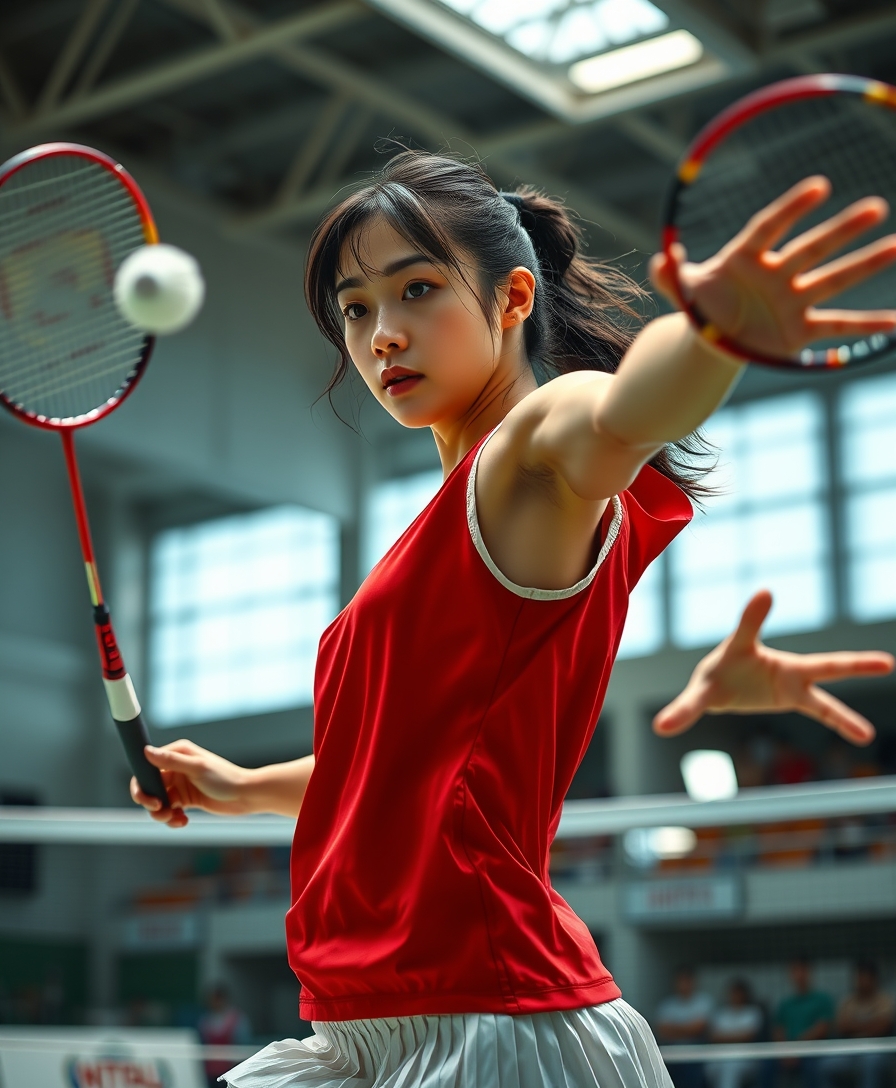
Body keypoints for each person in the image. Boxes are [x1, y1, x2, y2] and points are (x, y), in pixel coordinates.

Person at [131, 150, 896, 1088]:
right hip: (368, 1025)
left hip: (493, 1021)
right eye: (357, 307)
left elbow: (619, 417)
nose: (382, 335)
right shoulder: (446, 514)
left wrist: (714, 337)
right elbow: (402, 764)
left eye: (416, 289)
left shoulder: (529, 451)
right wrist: (238, 785)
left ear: (513, 299)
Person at [818, 960, 895, 1088]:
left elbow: (882, 1026)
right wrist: (869, 1024)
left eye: (864, 977)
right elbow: (841, 1026)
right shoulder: (848, 1001)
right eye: (858, 977)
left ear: (873, 979)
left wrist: (854, 1025)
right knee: (827, 1064)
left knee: (871, 1062)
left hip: (877, 1051)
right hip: (851, 1051)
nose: (860, 981)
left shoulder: (884, 1000)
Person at [774, 958, 835, 1088]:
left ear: (809, 972)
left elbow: (822, 1028)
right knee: (767, 1064)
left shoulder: (822, 999)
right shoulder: (785, 1003)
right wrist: (785, 1050)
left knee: (812, 1067)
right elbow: (778, 1029)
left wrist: (798, 1048)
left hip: (814, 1051)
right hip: (787, 1052)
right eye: (795, 971)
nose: (799, 975)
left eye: (802, 970)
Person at [656, 967, 714, 1088]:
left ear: (692, 982)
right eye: (680, 981)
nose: (683, 985)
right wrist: (688, 1028)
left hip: (697, 1049)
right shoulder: (668, 1005)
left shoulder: (703, 1001)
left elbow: (699, 1029)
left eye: (686, 981)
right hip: (672, 1049)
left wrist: (675, 1028)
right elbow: (663, 1030)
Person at [705, 979, 765, 1088]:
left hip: (745, 1059)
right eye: (733, 993)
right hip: (720, 1057)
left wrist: (724, 1036)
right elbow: (713, 1036)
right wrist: (737, 1035)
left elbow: (748, 1036)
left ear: (745, 995)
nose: (735, 996)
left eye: (739, 993)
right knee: (710, 1068)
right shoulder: (721, 1013)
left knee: (731, 1067)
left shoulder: (752, 1012)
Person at [198, 983, 252, 1087]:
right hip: (210, 1072)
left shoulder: (237, 1020)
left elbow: (243, 1045)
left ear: (222, 999)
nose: (213, 1003)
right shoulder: (205, 1020)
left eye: (215, 999)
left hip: (230, 1071)